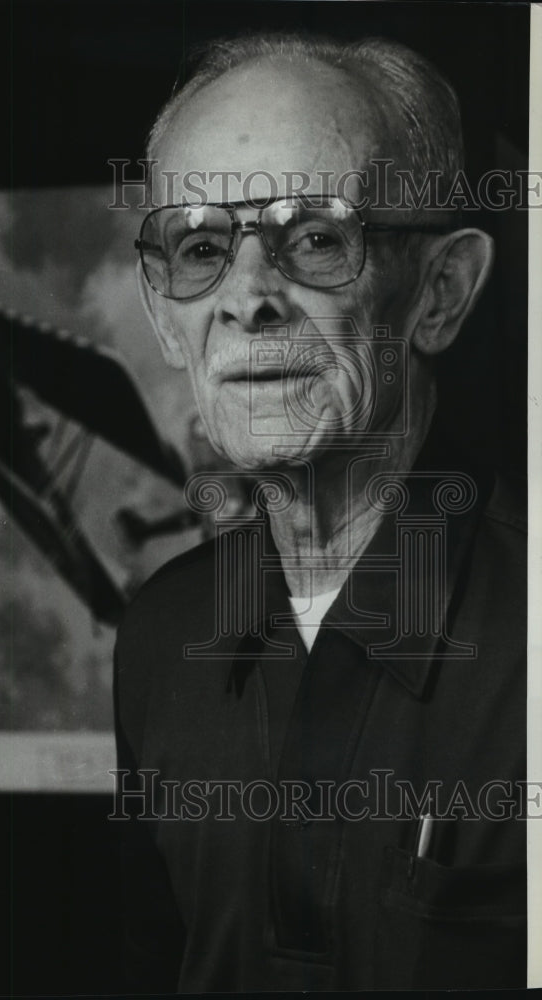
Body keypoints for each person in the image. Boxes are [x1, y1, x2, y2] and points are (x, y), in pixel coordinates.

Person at [113, 31, 526, 992]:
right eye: (203, 246)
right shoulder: (161, 636)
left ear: (442, 291)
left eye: (315, 239)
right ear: (163, 313)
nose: (247, 298)